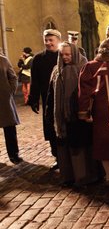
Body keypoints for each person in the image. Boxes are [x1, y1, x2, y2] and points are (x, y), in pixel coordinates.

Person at [78, 38, 109, 186]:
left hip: (102, 109)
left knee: (105, 142)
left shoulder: (91, 66)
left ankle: (108, 176)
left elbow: (84, 92)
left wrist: (84, 112)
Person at [48, 42, 95, 187]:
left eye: (68, 54)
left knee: (80, 147)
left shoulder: (83, 67)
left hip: (78, 115)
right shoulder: (57, 70)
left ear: (74, 53)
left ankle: (84, 177)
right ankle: (68, 176)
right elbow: (51, 93)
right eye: (62, 54)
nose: (65, 57)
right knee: (64, 146)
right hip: (62, 116)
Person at [28, 29, 62, 169]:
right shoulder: (38, 59)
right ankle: (57, 157)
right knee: (50, 128)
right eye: (46, 40)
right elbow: (34, 80)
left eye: (51, 40)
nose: (48, 43)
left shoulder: (64, 56)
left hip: (62, 98)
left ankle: (67, 157)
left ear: (58, 40)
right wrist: (33, 98)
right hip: (47, 99)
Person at [0, 53, 22, 164]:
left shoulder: (3, 60)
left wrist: (10, 92)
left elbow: (13, 77)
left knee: (9, 129)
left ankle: (14, 154)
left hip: (3, 99)